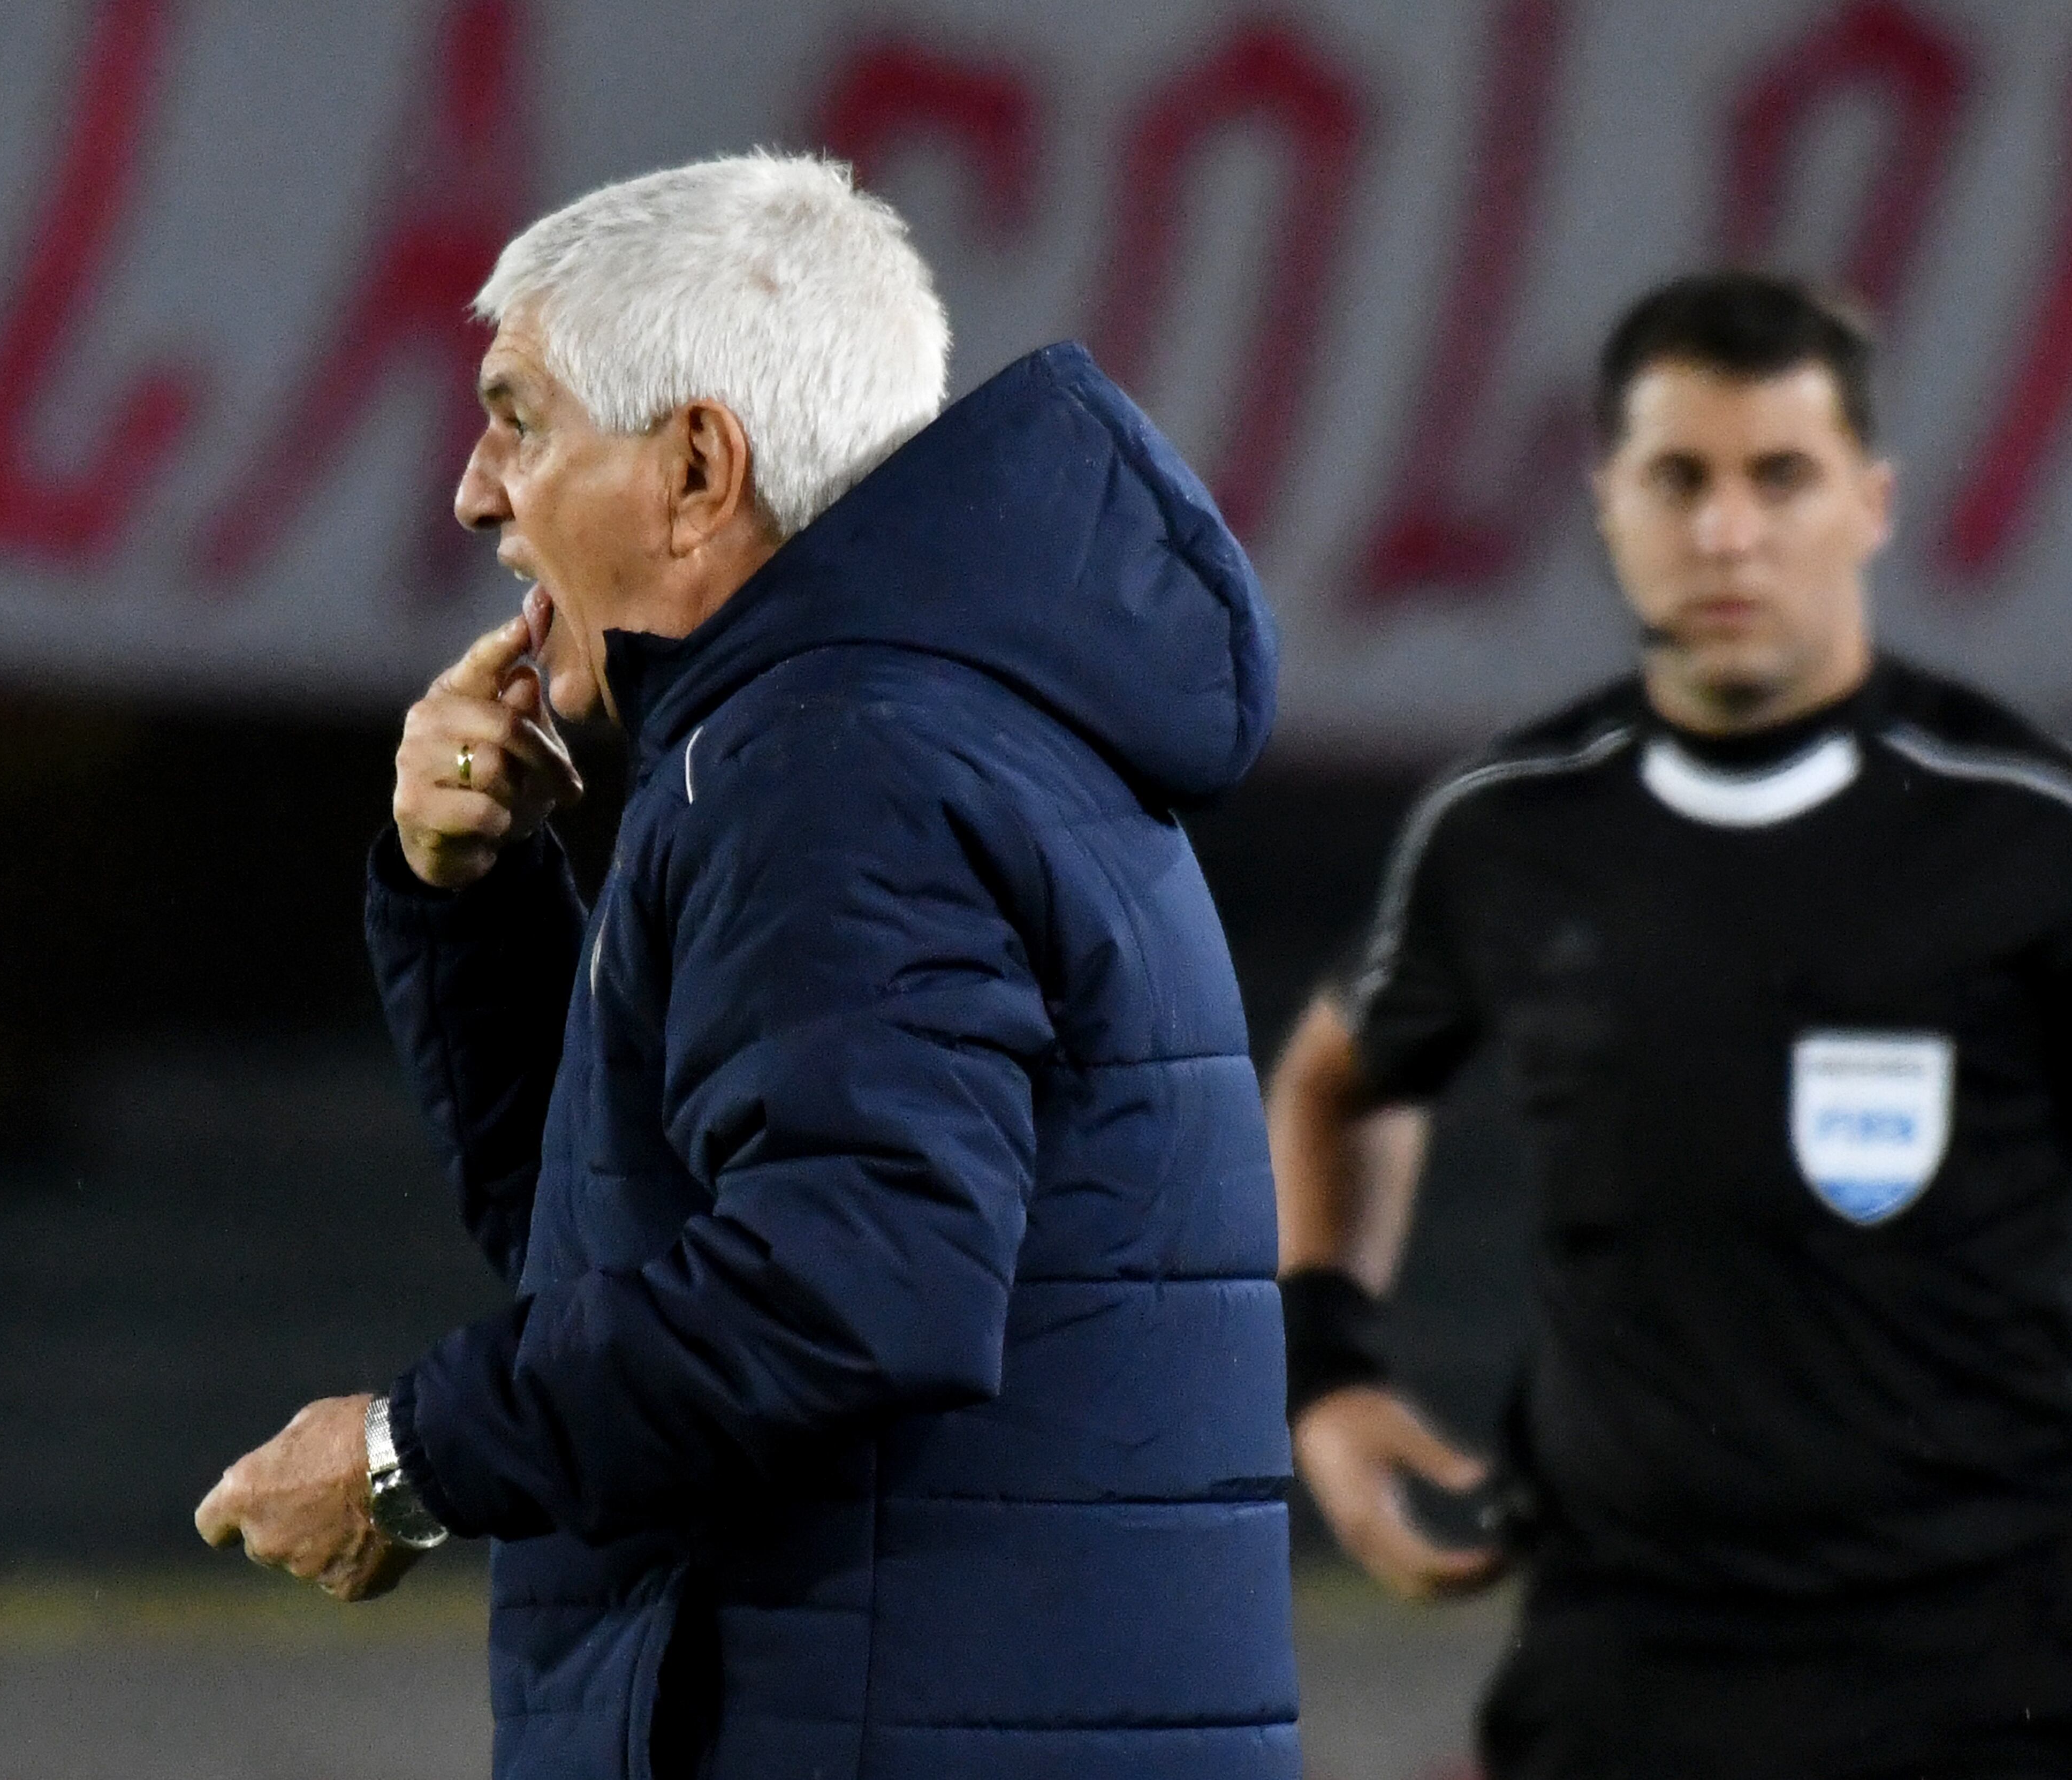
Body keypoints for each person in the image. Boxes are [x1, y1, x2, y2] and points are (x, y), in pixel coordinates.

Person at [192, 152, 1296, 1778]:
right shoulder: (911, 727)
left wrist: (402, 1459)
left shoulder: (834, 767)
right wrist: (474, 898)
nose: (477, 492)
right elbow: (629, 1249)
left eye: (523, 417)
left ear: (700, 466)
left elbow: (849, 1288)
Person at [1268, 269, 2072, 1778]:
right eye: (1679, 477)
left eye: (1781, 476)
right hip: (1621, 1675)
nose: (1726, 530)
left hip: (1981, 1681)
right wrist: (1328, 1369)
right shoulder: (1510, 830)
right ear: (1608, 501)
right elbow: (1340, 1075)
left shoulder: (2018, 836)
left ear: (1873, 503)